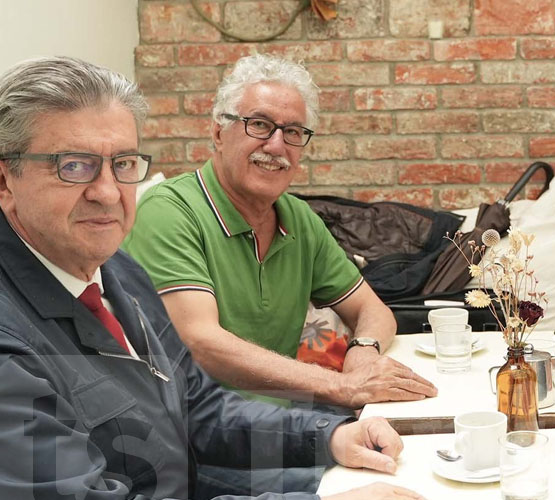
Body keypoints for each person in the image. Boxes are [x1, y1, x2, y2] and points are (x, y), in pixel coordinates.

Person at [0, 55, 423, 499]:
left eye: (123, 164)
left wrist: (330, 436)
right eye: (73, 165)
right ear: (6, 180)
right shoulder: (11, 340)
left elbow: (197, 406)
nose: (107, 192)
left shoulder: (116, 271)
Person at [122, 54, 436, 410]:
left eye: (292, 132)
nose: (276, 145)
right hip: (199, 435)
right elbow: (200, 342)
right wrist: (343, 386)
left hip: (279, 423)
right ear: (218, 132)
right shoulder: (169, 211)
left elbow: (373, 311)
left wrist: (363, 351)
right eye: (259, 124)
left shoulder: (298, 218)